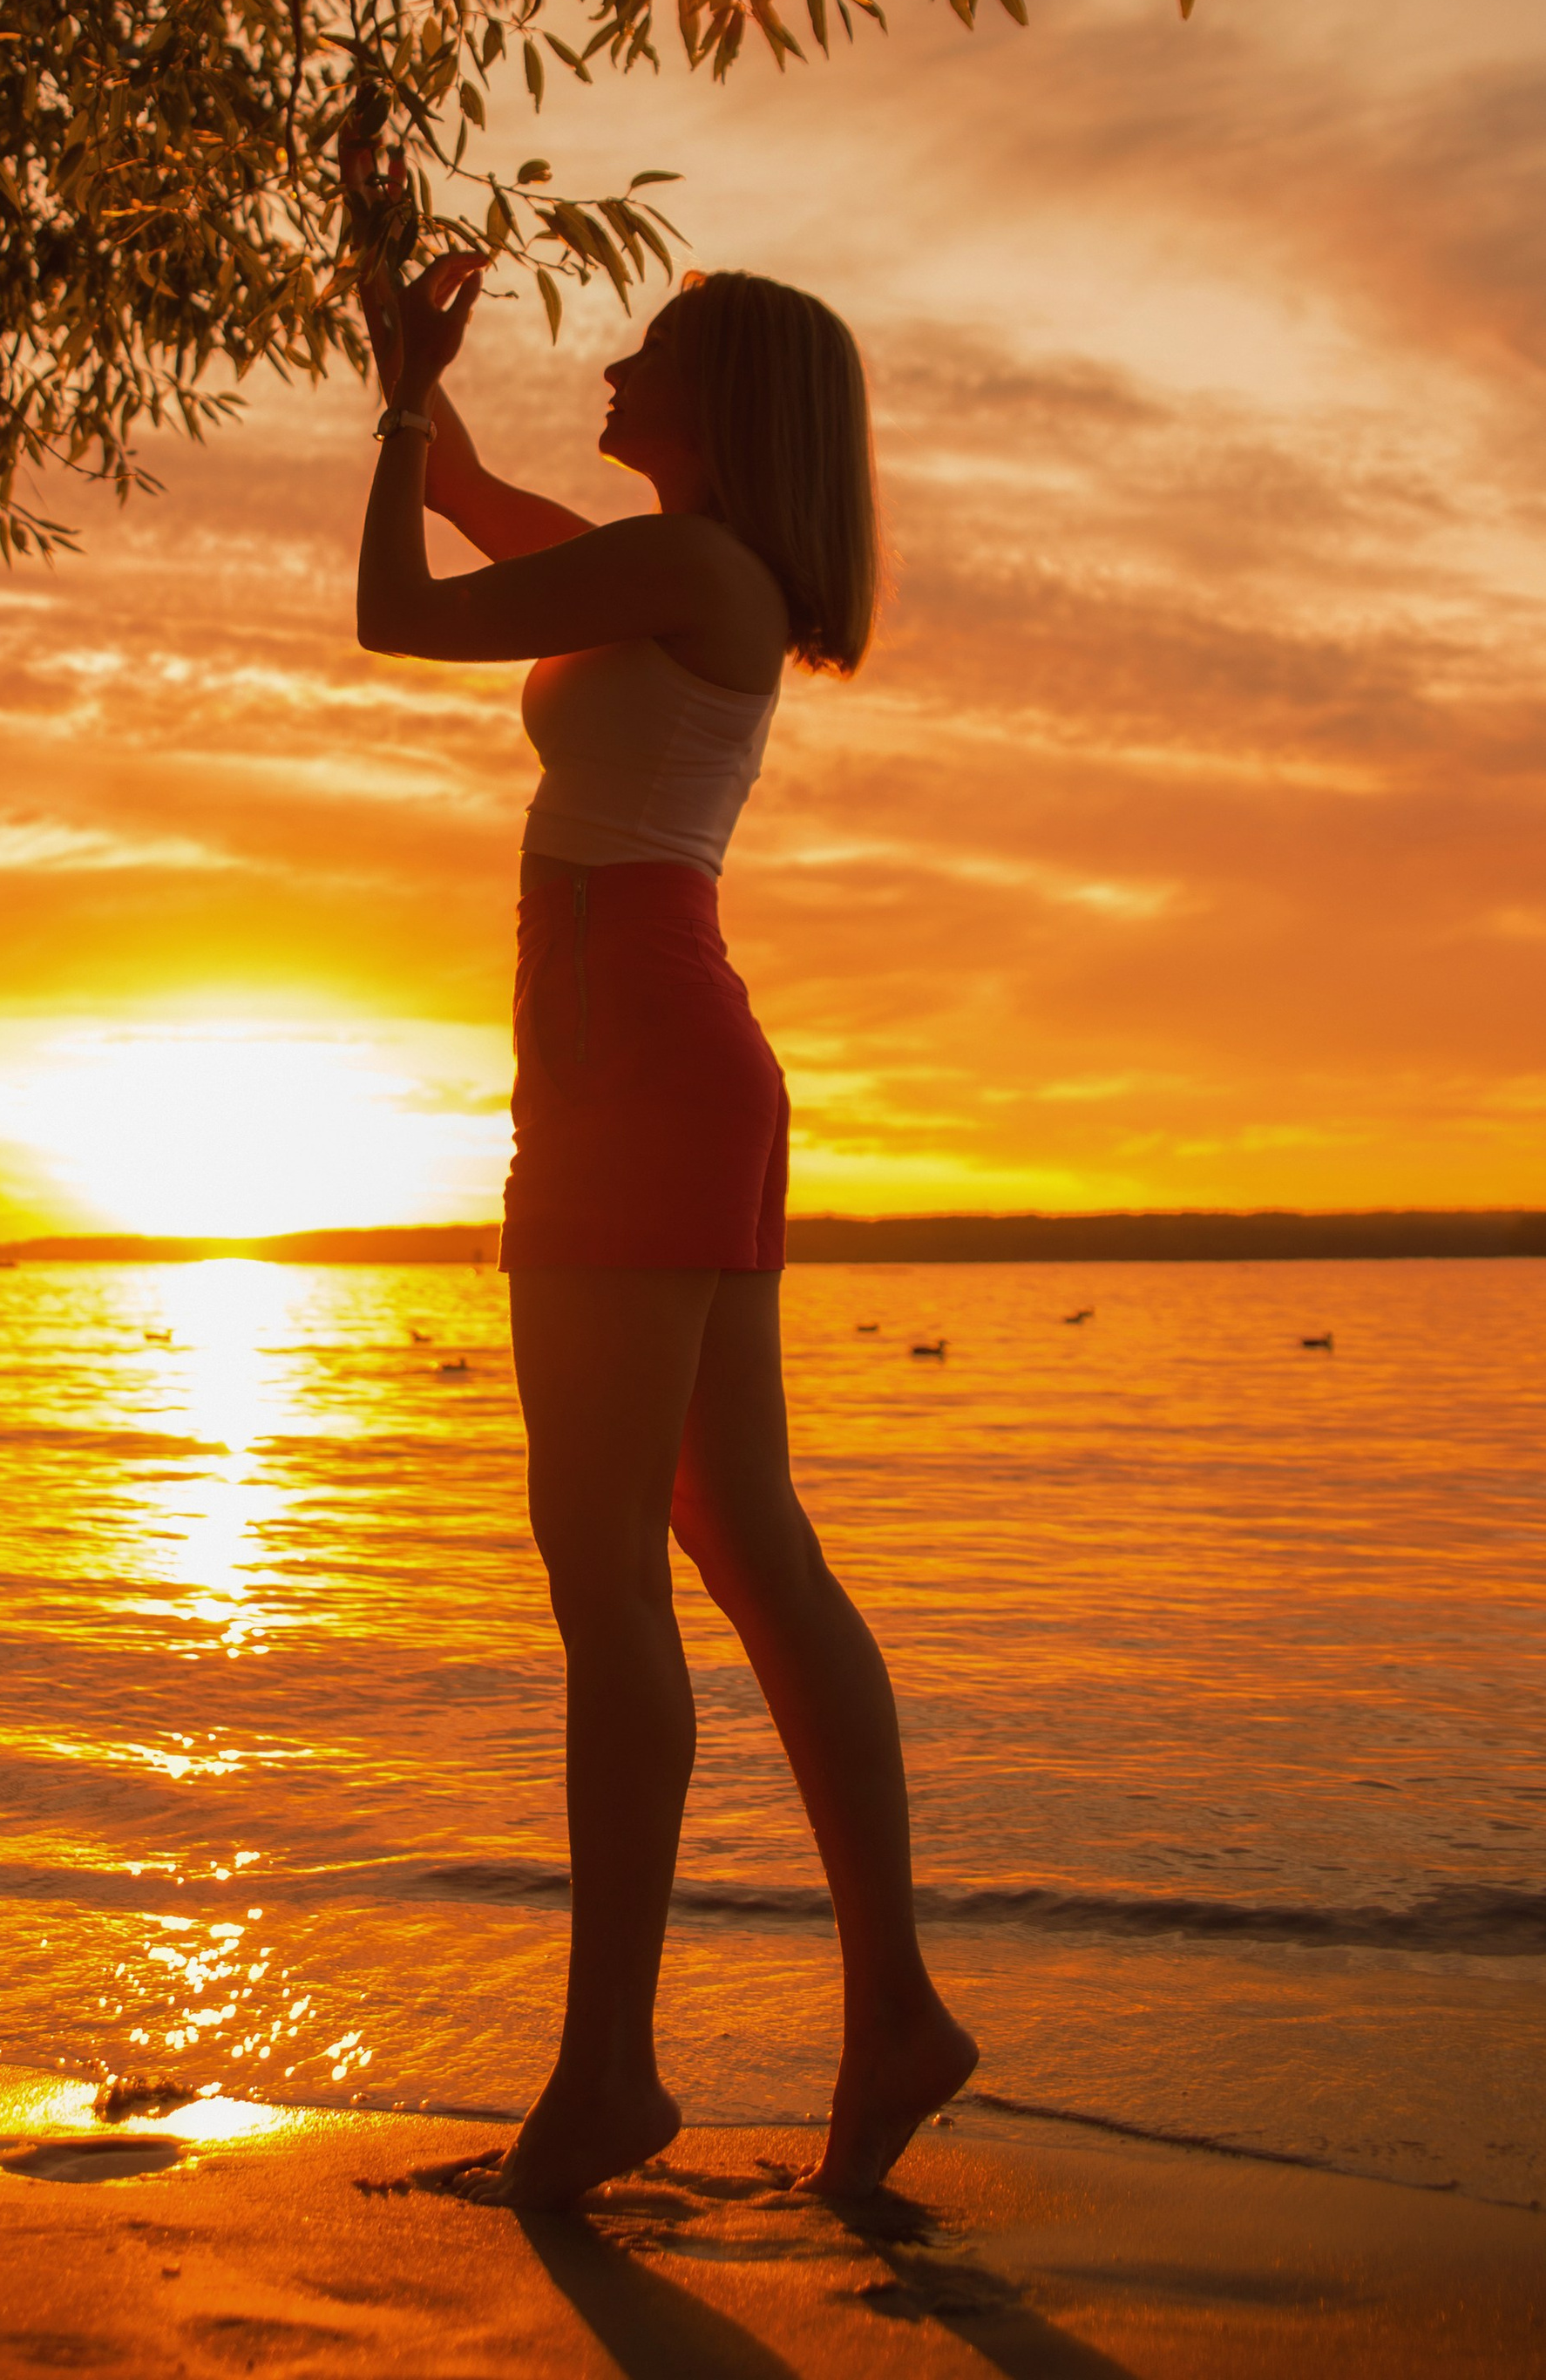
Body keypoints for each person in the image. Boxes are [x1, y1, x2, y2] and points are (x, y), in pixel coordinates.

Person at [349, 186, 977, 2214]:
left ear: (721, 404)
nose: (609, 366)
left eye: (643, 352)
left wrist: (396, 442)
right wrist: (402, 375)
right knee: (732, 1534)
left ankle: (605, 2083)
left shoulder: (691, 569)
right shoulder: (673, 568)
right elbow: (457, 498)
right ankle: (887, 2010)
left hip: (635, 1068)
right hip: (657, 1059)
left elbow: (393, 604)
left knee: (607, 1563)